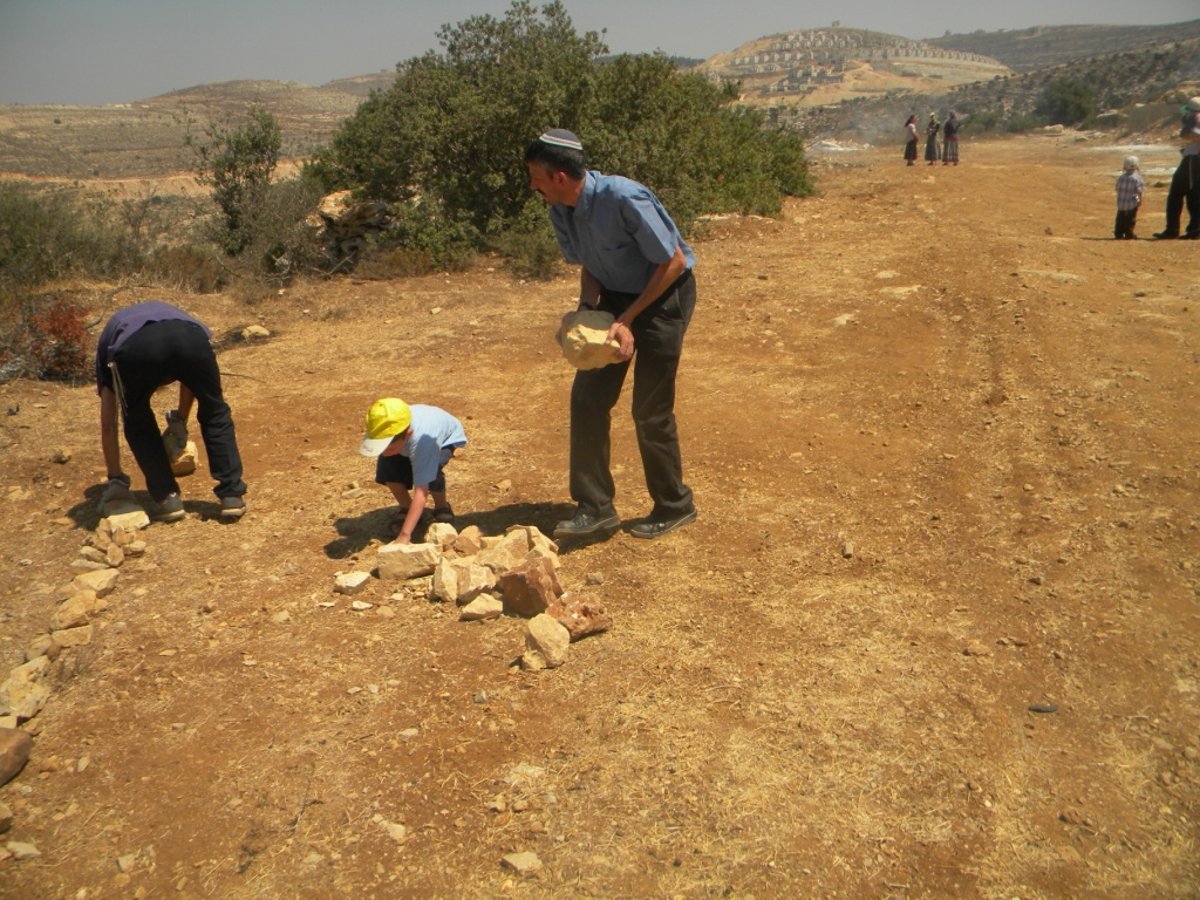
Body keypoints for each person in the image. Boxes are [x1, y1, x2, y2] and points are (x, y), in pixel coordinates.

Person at [524, 128, 697, 540]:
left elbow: (672, 262)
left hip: (664, 295)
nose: (533, 186)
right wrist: (586, 313)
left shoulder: (623, 197)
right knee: (588, 399)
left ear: (559, 177)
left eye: (536, 176)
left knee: (649, 411)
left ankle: (675, 505)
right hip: (617, 298)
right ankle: (595, 506)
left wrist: (628, 320)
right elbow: (592, 264)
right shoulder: (560, 208)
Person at [96, 300, 247, 522]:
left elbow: (109, 425)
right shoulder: (177, 316)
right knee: (214, 410)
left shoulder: (110, 344)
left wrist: (116, 477)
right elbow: (191, 380)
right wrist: (179, 422)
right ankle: (232, 494)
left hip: (136, 349)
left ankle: (168, 499)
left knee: (137, 419)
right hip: (191, 339)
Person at [359, 398, 467, 545]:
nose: (384, 453)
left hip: (444, 440)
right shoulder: (387, 428)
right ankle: (408, 509)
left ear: (408, 434)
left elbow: (421, 491)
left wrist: (404, 535)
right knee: (389, 471)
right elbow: (389, 451)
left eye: (388, 448)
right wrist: (390, 449)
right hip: (407, 438)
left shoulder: (425, 440)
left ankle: (442, 507)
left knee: (431, 475)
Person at [1154, 96, 1200, 240]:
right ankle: (1194, 229)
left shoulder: (1196, 118)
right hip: (1193, 158)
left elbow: (1190, 134)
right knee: (1193, 194)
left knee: (1178, 193)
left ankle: (1175, 229)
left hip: (1194, 158)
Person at [1114, 155, 1144, 240]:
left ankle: (1118, 233)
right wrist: (1138, 201)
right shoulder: (1137, 178)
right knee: (1130, 219)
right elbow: (1138, 192)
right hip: (1131, 203)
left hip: (1121, 203)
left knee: (1120, 218)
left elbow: (1117, 189)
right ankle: (1129, 234)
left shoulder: (1121, 178)